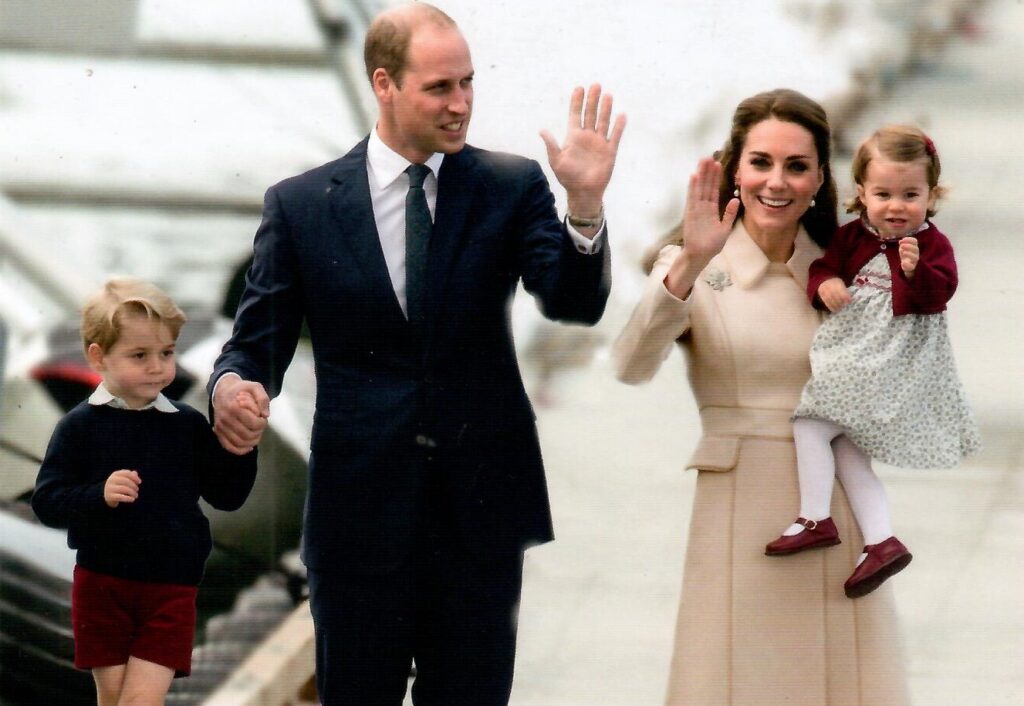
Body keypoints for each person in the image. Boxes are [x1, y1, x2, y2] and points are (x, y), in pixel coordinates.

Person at [207, 3, 625, 704]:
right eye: (440, 88)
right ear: (385, 84)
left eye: (468, 84)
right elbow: (255, 347)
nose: (461, 104)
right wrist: (231, 390)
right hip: (357, 520)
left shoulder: (511, 184)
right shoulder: (301, 205)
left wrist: (583, 205)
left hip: (481, 521)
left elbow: (572, 302)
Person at [613, 89, 908, 705]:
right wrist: (690, 264)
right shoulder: (694, 264)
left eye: (796, 166)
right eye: (761, 162)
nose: (777, 182)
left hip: (832, 509)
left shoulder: (843, 269)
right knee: (735, 679)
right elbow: (631, 364)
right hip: (739, 507)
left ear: (819, 177)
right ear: (734, 169)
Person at [766, 125, 980, 598]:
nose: (896, 206)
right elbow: (824, 267)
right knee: (847, 449)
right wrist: (823, 285)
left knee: (811, 424)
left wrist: (914, 269)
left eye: (910, 194)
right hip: (857, 351)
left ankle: (815, 517)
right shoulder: (853, 237)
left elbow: (938, 293)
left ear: (932, 194)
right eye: (883, 194)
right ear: (861, 194)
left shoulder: (932, 245)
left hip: (888, 362)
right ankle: (880, 540)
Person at [31, 278, 257, 706]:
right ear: (98, 357)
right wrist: (98, 494)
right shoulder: (78, 426)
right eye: (140, 355)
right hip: (101, 588)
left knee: (139, 702)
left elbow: (227, 495)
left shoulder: (188, 425)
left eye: (166, 353)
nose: (157, 367)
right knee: (113, 699)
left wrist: (242, 448)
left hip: (169, 590)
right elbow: (47, 502)